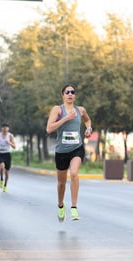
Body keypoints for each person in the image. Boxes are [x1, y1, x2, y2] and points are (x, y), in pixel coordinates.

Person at [46, 84, 92, 222]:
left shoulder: (81, 110)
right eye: (67, 92)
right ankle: (60, 205)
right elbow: (49, 129)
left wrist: (89, 128)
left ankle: (74, 208)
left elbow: (87, 120)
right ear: (63, 95)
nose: (70, 94)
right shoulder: (57, 110)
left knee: (74, 173)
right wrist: (66, 118)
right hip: (61, 151)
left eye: (73, 92)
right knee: (61, 183)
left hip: (76, 148)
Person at [0, 123, 16, 192]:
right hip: (0, 154)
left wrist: (9, 143)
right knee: (2, 167)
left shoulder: (10, 136)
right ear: (1, 128)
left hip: (7, 154)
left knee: (7, 171)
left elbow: (14, 146)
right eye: (3, 128)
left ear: (8, 129)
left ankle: (5, 185)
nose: (5, 129)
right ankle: (1, 179)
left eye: (6, 128)